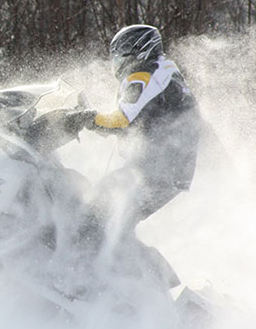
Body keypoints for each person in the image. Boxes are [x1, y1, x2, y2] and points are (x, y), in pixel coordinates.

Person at [67, 24, 201, 245]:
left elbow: (121, 121)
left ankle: (87, 271)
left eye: (122, 54)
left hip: (155, 172)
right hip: (166, 171)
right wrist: (92, 118)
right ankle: (123, 271)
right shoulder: (164, 73)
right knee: (110, 223)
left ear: (139, 50)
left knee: (92, 217)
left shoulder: (145, 75)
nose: (118, 61)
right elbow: (132, 125)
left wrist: (85, 118)